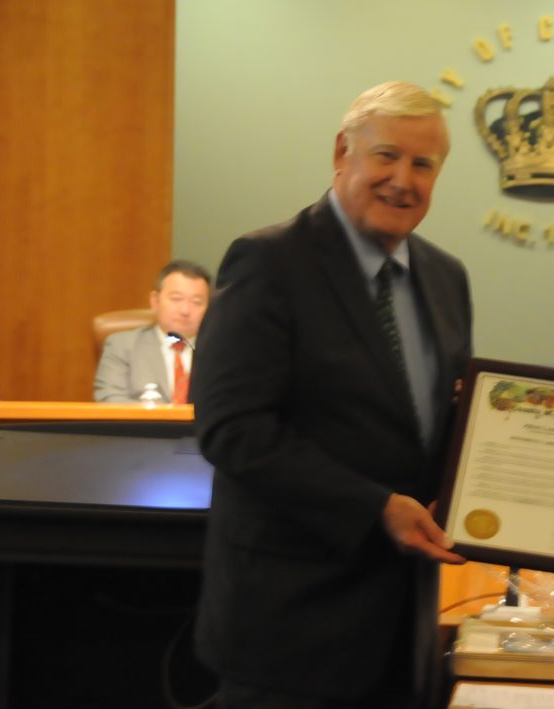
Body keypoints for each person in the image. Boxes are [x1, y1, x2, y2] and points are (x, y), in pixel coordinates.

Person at [190, 81, 472, 709]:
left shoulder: (447, 278)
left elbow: (436, 426)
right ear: (343, 152)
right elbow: (232, 428)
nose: (403, 180)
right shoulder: (268, 263)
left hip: (403, 631)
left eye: (423, 165)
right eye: (387, 156)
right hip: (289, 631)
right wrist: (376, 508)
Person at [93, 259, 211, 403]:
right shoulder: (122, 346)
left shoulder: (222, 353)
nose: (185, 310)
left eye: (197, 302)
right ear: (155, 301)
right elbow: (110, 401)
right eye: (176, 299)